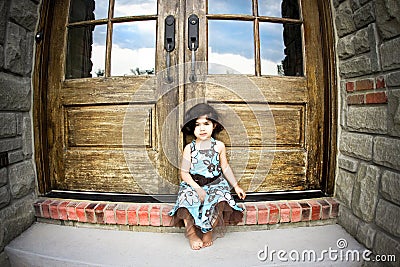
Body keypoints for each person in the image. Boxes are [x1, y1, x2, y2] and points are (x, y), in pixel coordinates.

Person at [169, 103, 246, 250]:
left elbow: (225, 167)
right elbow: (184, 173)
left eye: (206, 123)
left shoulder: (219, 146)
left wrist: (236, 186)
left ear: (214, 125)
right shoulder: (189, 148)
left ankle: (208, 231)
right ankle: (191, 234)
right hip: (194, 183)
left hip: (215, 183)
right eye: (197, 125)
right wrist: (197, 189)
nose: (202, 128)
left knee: (220, 199)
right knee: (186, 198)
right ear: (192, 127)